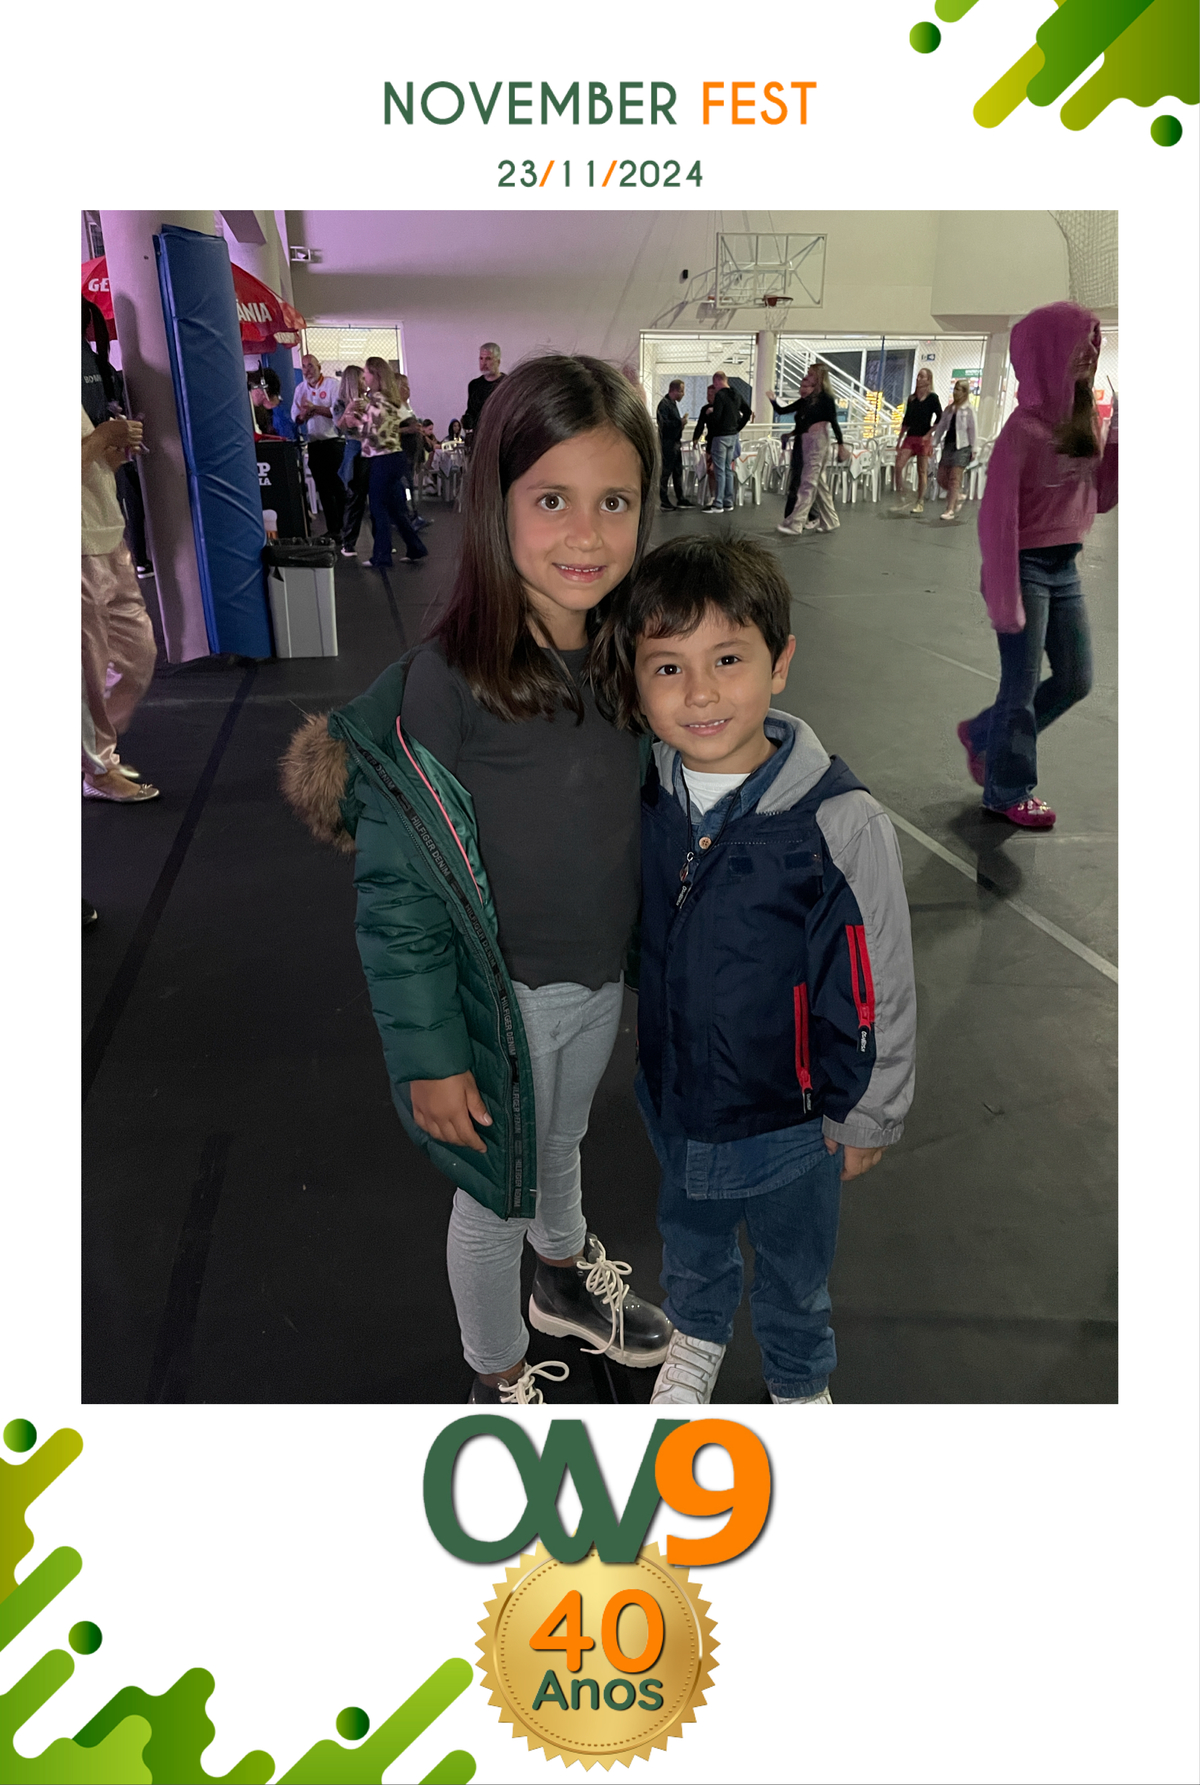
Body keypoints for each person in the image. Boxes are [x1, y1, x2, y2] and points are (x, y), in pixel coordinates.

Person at [281, 353, 673, 1404]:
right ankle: (497, 1373)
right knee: (494, 1201)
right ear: (497, 503)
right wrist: (434, 1055)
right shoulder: (448, 683)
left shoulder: (629, 661)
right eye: (551, 500)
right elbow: (400, 896)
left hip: (594, 983)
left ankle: (562, 1276)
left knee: (564, 1143)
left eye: (614, 501)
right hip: (496, 1008)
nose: (586, 533)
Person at [597, 534, 916, 1404]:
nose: (700, 692)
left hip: (792, 1119)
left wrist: (869, 1109)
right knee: (690, 1235)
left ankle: (800, 1378)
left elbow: (879, 977)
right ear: (637, 682)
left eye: (728, 659)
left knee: (794, 1264)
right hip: (680, 1095)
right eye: (668, 668)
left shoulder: (837, 822)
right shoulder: (650, 791)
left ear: (780, 663)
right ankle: (696, 1336)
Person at [956, 302, 1117, 830]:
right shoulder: (1022, 430)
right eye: (1080, 343)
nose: (1090, 352)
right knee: (1019, 689)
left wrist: (1118, 444)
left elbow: (1100, 499)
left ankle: (985, 735)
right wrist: (1004, 594)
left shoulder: (1084, 419)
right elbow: (997, 517)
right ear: (1050, 352)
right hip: (1025, 567)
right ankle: (1007, 790)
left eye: (1094, 343)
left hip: (1065, 568)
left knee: (1076, 679)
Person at [81, 408, 160, 802]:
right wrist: (102, 438)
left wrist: (112, 452)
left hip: (108, 535)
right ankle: (97, 769)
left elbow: (90, 467)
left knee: (138, 655)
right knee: (88, 672)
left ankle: (90, 749)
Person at [339, 357, 429, 568]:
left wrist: (355, 421)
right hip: (394, 457)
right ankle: (415, 547)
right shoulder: (389, 399)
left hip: (382, 459)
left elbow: (374, 434)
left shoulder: (377, 401)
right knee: (396, 509)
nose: (364, 377)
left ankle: (382, 555)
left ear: (375, 375)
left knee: (378, 508)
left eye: (366, 373)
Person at [767, 363, 848, 536]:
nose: (807, 377)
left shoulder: (825, 398)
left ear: (818, 377)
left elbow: (834, 422)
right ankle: (830, 521)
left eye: (810, 374)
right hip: (807, 440)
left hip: (818, 441)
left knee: (808, 483)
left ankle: (796, 523)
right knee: (819, 484)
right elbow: (784, 410)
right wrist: (773, 400)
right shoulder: (808, 399)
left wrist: (841, 444)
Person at [292, 352, 345, 541]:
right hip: (314, 444)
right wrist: (304, 414)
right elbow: (296, 418)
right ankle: (333, 529)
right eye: (304, 366)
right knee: (323, 488)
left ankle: (345, 525)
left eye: (311, 366)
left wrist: (315, 409)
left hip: (333, 442)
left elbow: (337, 412)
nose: (307, 370)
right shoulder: (300, 389)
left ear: (319, 367)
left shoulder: (332, 385)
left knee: (336, 486)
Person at [890, 368, 943, 514]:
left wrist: (929, 434)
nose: (918, 378)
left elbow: (940, 417)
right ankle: (902, 494)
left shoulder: (933, 398)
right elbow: (906, 420)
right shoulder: (912, 399)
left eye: (922, 376)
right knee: (898, 465)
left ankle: (920, 501)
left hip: (923, 437)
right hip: (910, 437)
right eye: (918, 376)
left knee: (921, 470)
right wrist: (900, 439)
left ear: (928, 380)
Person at [333, 365, 370, 560]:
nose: (366, 382)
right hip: (355, 450)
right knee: (355, 498)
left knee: (377, 498)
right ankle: (348, 543)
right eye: (362, 379)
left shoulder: (370, 401)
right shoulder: (341, 403)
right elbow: (338, 428)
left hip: (371, 450)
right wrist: (349, 411)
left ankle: (383, 542)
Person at [704, 372, 751, 514]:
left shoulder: (720, 395)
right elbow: (747, 412)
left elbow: (717, 417)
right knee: (728, 469)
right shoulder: (736, 393)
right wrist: (737, 427)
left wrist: (710, 413)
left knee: (719, 471)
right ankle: (728, 502)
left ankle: (718, 503)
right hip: (733, 436)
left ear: (716, 381)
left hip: (721, 436)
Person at [931, 379, 977, 521]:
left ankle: (950, 509)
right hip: (949, 445)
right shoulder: (949, 409)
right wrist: (934, 442)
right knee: (941, 477)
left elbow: (973, 430)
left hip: (963, 447)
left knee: (954, 479)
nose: (955, 392)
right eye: (955, 389)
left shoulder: (969, 410)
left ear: (965, 392)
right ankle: (956, 495)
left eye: (958, 390)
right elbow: (941, 427)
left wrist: (974, 449)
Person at [655, 380, 692, 512]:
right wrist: (679, 423)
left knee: (677, 471)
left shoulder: (672, 404)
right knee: (666, 472)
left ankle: (680, 497)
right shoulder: (664, 405)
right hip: (668, 443)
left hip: (675, 442)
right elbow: (663, 424)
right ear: (674, 390)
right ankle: (663, 500)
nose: (683, 394)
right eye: (681, 391)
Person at [463, 342, 505, 439]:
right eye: (481, 358)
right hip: (480, 437)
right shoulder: (474, 385)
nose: (483, 363)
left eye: (488, 359)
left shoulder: (507, 384)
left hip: (501, 436)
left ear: (498, 362)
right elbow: (471, 412)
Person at [691, 383, 718, 510]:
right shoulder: (705, 409)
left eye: (711, 394)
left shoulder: (723, 408)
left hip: (721, 442)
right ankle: (712, 496)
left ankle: (721, 496)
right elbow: (700, 424)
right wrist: (695, 438)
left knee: (717, 470)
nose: (708, 397)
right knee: (710, 470)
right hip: (710, 443)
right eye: (707, 394)